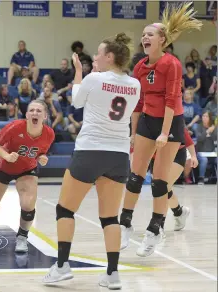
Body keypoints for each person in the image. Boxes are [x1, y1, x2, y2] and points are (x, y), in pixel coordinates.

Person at [43, 32, 141, 290]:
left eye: (99, 53)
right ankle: (112, 274)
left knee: (65, 209)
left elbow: (76, 102)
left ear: (109, 57)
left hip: (91, 150)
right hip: (119, 155)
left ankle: (62, 266)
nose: (94, 57)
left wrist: (79, 73)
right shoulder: (134, 84)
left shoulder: (93, 78)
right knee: (110, 218)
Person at [119, 2, 202, 257]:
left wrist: (165, 133)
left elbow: (170, 100)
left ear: (162, 40)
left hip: (171, 123)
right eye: (143, 34)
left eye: (150, 34)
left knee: (159, 183)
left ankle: (155, 230)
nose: (144, 37)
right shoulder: (139, 66)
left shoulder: (172, 64)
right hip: (147, 121)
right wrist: (133, 132)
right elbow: (139, 102)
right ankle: (125, 224)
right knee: (134, 176)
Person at [0, 100, 55, 252]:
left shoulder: (49, 133)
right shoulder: (15, 126)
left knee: (28, 204)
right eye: (32, 110)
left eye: (39, 111)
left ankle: (22, 237)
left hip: (26, 169)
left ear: (45, 116)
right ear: (27, 115)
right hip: (2, 167)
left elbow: (41, 152)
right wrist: (7, 156)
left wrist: (42, 158)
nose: (35, 113)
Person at [121, 128, 198, 251]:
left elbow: (185, 134)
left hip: (177, 153)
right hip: (156, 157)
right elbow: (136, 143)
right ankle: (179, 212)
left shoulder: (169, 118)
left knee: (163, 186)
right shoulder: (144, 122)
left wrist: (193, 155)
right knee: (163, 189)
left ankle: (159, 227)